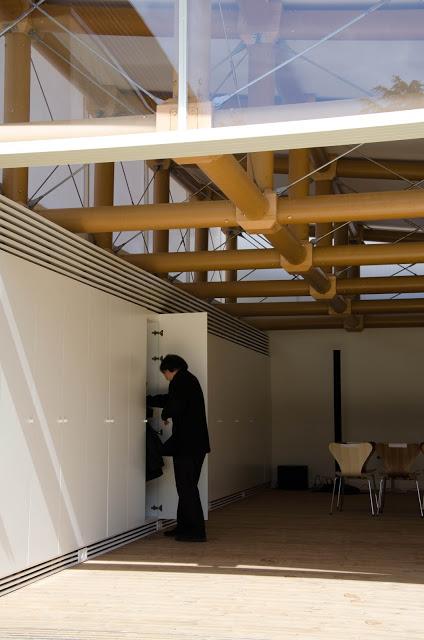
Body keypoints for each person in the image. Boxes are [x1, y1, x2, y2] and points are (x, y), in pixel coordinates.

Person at [146, 354, 210, 542]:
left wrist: (165, 414)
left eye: (165, 373)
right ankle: (184, 526)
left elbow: (174, 405)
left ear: (170, 370)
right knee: (186, 487)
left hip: (188, 446)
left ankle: (196, 531)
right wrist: (150, 400)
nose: (165, 377)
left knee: (186, 487)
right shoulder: (188, 380)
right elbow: (171, 400)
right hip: (194, 445)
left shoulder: (180, 381)